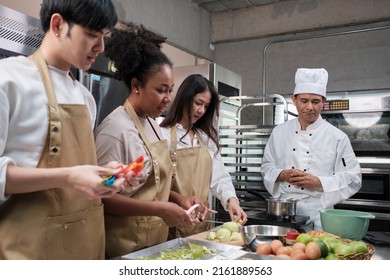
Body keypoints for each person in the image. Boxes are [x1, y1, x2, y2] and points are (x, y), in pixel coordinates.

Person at [0, 0, 136, 260]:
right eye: (93, 35)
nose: (101, 47)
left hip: (84, 247)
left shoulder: (86, 98)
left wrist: (107, 177)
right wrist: (68, 177)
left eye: (104, 37)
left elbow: (81, 172)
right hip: (29, 252)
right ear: (58, 25)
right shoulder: (8, 80)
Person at [94, 22, 207, 258]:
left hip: (153, 244)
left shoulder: (154, 125)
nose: (168, 98)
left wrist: (179, 199)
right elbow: (105, 197)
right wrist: (160, 209)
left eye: (171, 90)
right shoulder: (115, 130)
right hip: (124, 248)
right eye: (161, 90)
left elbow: (154, 185)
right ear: (136, 86)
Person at [260, 68, 362, 231]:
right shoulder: (279, 132)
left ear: (323, 102)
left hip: (319, 217)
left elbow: (354, 178)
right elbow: (266, 167)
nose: (310, 107)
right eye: (304, 100)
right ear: (294, 100)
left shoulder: (337, 137)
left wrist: (319, 182)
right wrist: (282, 174)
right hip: (283, 214)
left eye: (315, 101)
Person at [159, 74, 248, 238]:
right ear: (184, 98)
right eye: (198, 103)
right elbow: (155, 184)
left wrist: (231, 201)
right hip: (168, 224)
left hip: (200, 224)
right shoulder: (160, 133)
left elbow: (219, 177)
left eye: (206, 106)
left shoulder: (205, 138)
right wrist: (179, 198)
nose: (201, 111)